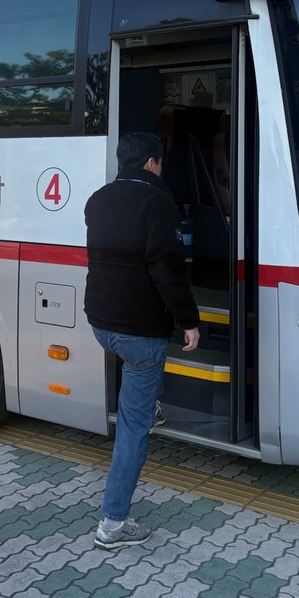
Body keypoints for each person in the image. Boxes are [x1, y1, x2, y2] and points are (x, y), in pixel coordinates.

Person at [84, 131, 201, 550]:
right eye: (160, 163)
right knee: (133, 427)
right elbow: (168, 270)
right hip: (139, 331)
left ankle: (150, 403)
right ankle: (113, 523)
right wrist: (189, 320)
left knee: (140, 377)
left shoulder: (97, 200)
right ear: (152, 163)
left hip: (101, 324)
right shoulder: (157, 203)